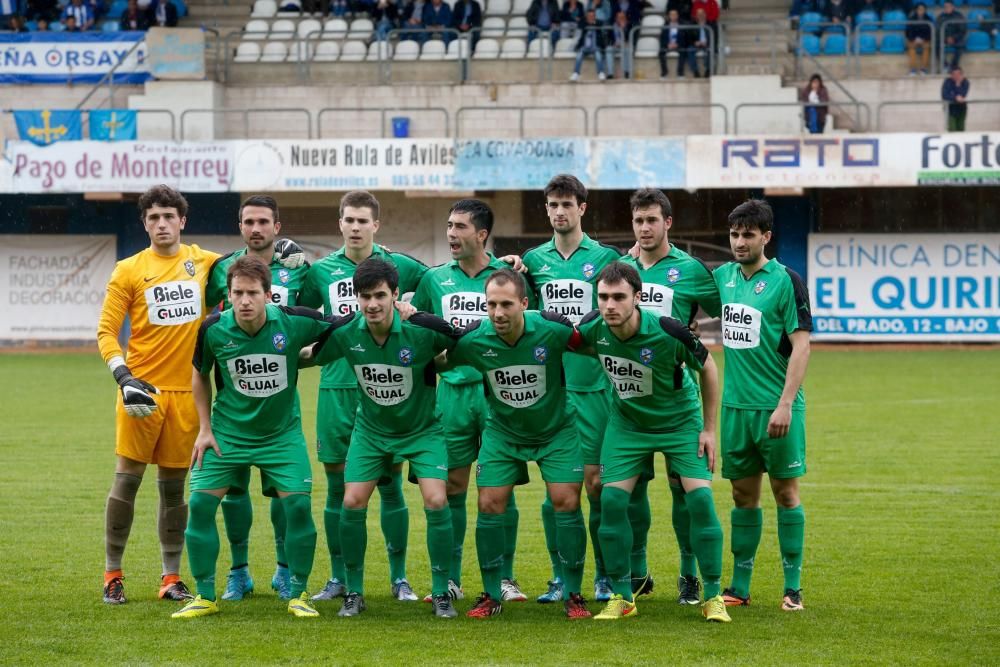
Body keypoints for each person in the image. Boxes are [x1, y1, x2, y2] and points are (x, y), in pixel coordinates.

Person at [96, 186, 306, 606]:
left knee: (175, 489)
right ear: (144, 223)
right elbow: (106, 331)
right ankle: (112, 573)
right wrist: (123, 376)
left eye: (168, 216)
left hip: (190, 394)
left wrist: (284, 249)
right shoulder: (128, 270)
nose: (161, 224)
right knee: (126, 481)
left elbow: (248, 265)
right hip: (143, 391)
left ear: (182, 221)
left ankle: (171, 577)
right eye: (153, 217)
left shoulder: (206, 263)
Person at [172, 256, 329, 619]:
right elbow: (199, 374)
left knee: (298, 506)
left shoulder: (294, 321)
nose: (245, 300)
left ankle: (299, 593)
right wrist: (204, 430)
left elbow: (345, 326)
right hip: (227, 434)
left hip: (281, 435)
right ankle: (205, 595)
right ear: (227, 295)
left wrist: (308, 356)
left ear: (268, 295)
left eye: (253, 293)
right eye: (237, 293)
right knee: (199, 505)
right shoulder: (212, 328)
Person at [305, 258, 459, 619]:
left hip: (422, 431)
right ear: (356, 298)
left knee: (437, 501)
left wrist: (440, 363)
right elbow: (310, 355)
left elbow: (462, 341)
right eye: (365, 297)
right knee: (352, 501)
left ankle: (441, 593)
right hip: (371, 433)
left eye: (380, 296)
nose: (372, 304)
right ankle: (354, 592)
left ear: (395, 295)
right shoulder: (346, 331)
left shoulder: (421, 329)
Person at [576, 262, 729, 623]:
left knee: (701, 500)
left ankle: (713, 595)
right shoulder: (592, 330)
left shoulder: (666, 330)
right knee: (610, 500)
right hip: (628, 424)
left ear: (638, 298)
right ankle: (623, 596)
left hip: (680, 422)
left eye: (618, 297)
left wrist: (709, 430)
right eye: (603, 297)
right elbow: (554, 337)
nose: (609, 305)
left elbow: (708, 367)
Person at [298, 191, 428, 604]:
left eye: (362, 221)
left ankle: (399, 578)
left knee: (390, 486)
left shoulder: (401, 267)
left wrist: (412, 310)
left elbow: (443, 280)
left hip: (388, 389)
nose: (355, 227)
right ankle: (338, 577)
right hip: (337, 388)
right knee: (339, 488)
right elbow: (301, 322)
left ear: (376, 225)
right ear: (340, 224)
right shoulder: (319, 273)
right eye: (348, 220)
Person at [443, 269, 590, 619]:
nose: (497, 313)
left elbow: (592, 343)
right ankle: (491, 595)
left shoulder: (552, 330)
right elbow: (439, 357)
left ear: (524, 303)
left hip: (556, 431)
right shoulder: (474, 339)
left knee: (565, 501)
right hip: (503, 433)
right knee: (490, 503)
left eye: (506, 304)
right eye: (491, 304)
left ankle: (573, 594)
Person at [410, 201, 533, 604]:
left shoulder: (508, 276)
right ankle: (450, 579)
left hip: (498, 392)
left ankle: (505, 577)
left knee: (501, 488)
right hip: (451, 394)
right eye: (448, 225)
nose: (450, 233)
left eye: (460, 226)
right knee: (454, 486)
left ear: (481, 234)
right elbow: (422, 334)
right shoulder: (433, 280)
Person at [520, 174, 624, 604]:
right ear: (545, 210)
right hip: (549, 388)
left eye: (567, 204)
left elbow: (619, 309)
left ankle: (603, 574)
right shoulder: (532, 260)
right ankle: (561, 576)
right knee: (557, 487)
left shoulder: (605, 257)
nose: (559, 211)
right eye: (552, 204)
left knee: (598, 485)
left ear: (583, 208)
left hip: (594, 385)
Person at [203, 195, 311, 603]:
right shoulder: (221, 270)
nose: (256, 229)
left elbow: (318, 320)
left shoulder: (299, 271)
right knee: (232, 491)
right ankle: (238, 572)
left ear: (277, 227)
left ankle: (285, 570)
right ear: (240, 225)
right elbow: (207, 317)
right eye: (249, 221)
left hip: (279, 404)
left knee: (285, 496)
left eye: (264, 221)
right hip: (232, 401)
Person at [617, 189, 721, 607]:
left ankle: (689, 575)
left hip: (679, 397)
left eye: (652, 220)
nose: (644, 228)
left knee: (684, 490)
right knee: (633, 489)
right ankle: (639, 573)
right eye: (638, 220)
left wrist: (693, 335)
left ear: (668, 223)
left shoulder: (690, 270)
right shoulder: (619, 268)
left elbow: (724, 310)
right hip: (630, 398)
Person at [713, 199, 812, 613]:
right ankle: (740, 585)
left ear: (766, 237)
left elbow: (802, 346)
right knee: (742, 496)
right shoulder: (720, 277)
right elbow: (669, 280)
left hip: (776, 408)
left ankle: (792, 588)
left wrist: (786, 403)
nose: (739, 242)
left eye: (748, 234)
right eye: (735, 234)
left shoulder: (786, 281)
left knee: (786, 494)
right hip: (735, 409)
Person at [569, 10, 609, 82]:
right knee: (579, 55)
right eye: (589, 16)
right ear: (586, 17)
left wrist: (594, 23)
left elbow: (604, 34)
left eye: (593, 16)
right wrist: (588, 23)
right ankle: (575, 73)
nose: (591, 17)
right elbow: (579, 32)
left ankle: (601, 73)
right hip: (584, 47)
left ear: (595, 16)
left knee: (598, 55)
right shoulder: (582, 23)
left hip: (596, 46)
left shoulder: (599, 23)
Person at [659, 9, 690, 79]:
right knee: (661, 52)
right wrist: (667, 44)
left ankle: (680, 73)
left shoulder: (682, 24)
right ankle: (664, 72)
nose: (673, 16)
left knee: (683, 52)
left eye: (675, 14)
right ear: (669, 16)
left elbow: (685, 38)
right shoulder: (665, 25)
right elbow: (662, 38)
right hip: (668, 45)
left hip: (678, 45)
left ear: (677, 16)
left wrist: (677, 44)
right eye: (671, 15)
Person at [936, 0, 965, 72]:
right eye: (945, 7)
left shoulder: (959, 16)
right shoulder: (940, 17)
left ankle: (953, 66)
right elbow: (937, 30)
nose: (947, 8)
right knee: (936, 45)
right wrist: (946, 38)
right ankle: (945, 65)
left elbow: (962, 30)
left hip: (956, 38)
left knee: (961, 46)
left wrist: (954, 37)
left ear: (953, 7)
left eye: (948, 7)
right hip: (944, 38)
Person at [905, 2, 932, 76]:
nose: (921, 11)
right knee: (911, 47)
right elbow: (908, 31)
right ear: (916, 10)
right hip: (914, 39)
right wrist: (914, 39)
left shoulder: (928, 19)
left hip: (924, 40)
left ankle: (924, 69)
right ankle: (913, 69)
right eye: (919, 9)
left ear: (925, 10)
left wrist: (924, 39)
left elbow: (930, 31)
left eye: (922, 9)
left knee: (926, 47)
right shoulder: (911, 18)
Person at [941, 66, 969, 132]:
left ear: (962, 75)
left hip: (961, 108)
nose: (956, 76)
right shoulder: (947, 82)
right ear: (951, 75)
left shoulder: (965, 82)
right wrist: (955, 98)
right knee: (952, 128)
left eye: (958, 74)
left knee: (961, 128)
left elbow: (963, 94)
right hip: (950, 108)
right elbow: (945, 95)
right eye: (954, 74)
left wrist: (958, 85)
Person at [607, 10, 633, 79]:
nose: (621, 19)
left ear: (625, 18)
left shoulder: (629, 26)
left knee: (627, 49)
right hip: (615, 46)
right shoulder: (612, 26)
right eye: (619, 17)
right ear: (616, 18)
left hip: (625, 45)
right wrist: (613, 43)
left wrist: (623, 29)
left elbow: (631, 38)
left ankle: (626, 72)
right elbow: (608, 38)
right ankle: (610, 74)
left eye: (623, 17)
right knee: (608, 49)